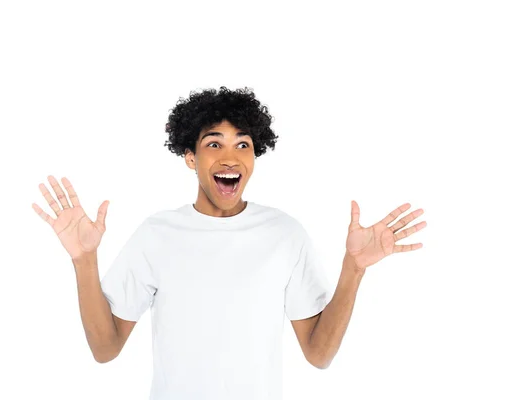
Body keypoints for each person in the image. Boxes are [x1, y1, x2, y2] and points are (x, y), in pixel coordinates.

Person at [31, 86, 427, 400]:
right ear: (190, 157)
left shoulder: (284, 234)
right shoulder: (157, 234)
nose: (230, 157)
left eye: (243, 145)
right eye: (213, 144)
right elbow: (105, 349)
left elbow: (319, 354)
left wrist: (354, 268)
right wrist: (84, 260)